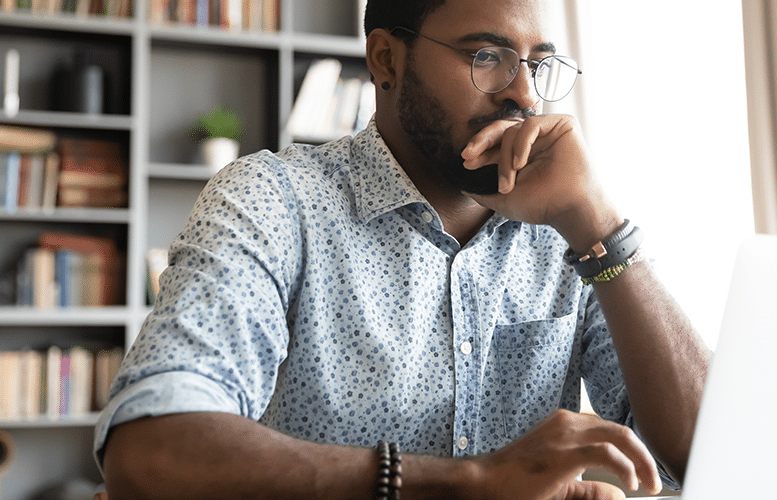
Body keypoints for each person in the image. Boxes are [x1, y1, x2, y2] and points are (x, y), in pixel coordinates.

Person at [95, 0, 712, 498]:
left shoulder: (570, 231)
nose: (524, 96)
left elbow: (709, 457)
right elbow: (152, 451)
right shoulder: (276, 201)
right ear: (386, 59)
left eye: (538, 65)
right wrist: (469, 484)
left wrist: (601, 227)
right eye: (487, 55)